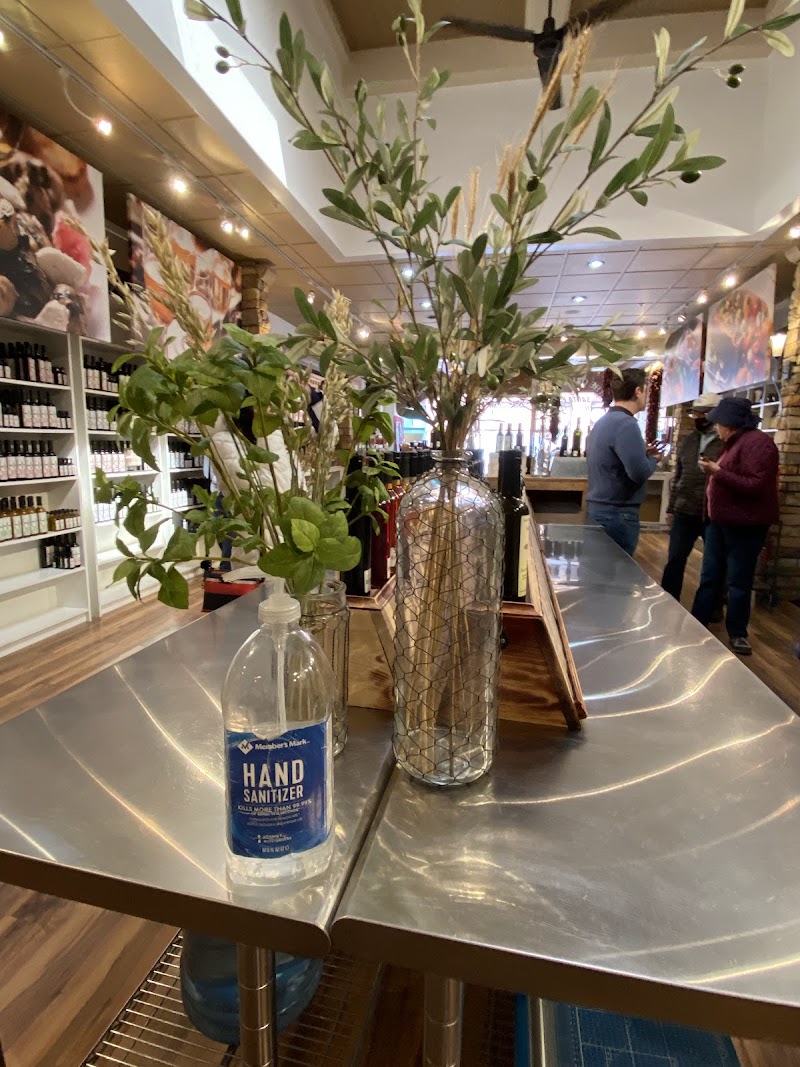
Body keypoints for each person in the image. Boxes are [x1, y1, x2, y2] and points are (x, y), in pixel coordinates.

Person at [691, 396, 779, 656]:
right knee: (710, 577)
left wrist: (718, 472)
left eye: (718, 422)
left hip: (745, 526)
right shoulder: (733, 443)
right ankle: (696, 624)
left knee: (738, 581)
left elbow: (755, 486)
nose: (716, 427)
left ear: (730, 423)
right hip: (720, 522)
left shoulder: (759, 445)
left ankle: (738, 633)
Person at [586, 367, 661, 556]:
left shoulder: (604, 422)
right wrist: (654, 459)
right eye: (646, 391)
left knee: (599, 574)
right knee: (616, 578)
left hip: (599, 509)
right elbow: (639, 473)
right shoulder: (626, 424)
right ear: (638, 391)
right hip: (618, 514)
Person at [660, 392, 723, 602]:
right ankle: (669, 600)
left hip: (713, 512)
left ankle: (711, 605)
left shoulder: (727, 443)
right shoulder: (690, 440)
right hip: (684, 508)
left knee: (714, 565)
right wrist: (671, 508)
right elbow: (679, 475)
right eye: (695, 413)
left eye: (701, 413)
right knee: (675, 559)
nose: (697, 418)